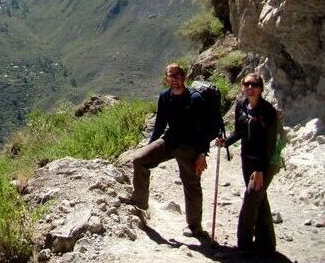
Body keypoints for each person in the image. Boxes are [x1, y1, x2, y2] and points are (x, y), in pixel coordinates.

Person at [119, 63, 209, 237]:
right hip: (170, 141)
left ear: (184, 77)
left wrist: (202, 154)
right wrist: (150, 146)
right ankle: (140, 201)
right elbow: (160, 123)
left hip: (189, 146)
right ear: (166, 78)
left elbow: (203, 130)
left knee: (191, 184)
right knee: (139, 159)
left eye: (177, 76)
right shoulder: (164, 97)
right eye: (170, 76)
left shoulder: (195, 99)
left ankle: (194, 226)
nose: (174, 79)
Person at [215, 73, 277, 253]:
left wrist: (260, 169)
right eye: (247, 84)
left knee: (250, 200)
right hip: (246, 160)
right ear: (242, 86)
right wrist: (226, 142)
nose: (250, 87)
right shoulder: (241, 106)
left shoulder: (268, 112)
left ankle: (244, 245)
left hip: (263, 165)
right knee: (260, 199)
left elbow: (270, 144)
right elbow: (240, 131)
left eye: (255, 84)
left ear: (261, 89)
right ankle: (267, 244)